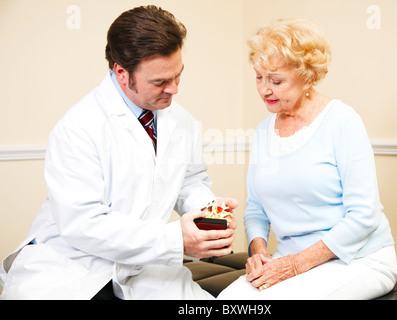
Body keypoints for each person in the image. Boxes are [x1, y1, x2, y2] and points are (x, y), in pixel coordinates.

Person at [0, 5, 237, 300]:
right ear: (122, 73)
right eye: (160, 81)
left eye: (178, 76)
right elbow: (82, 224)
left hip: (145, 266)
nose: (174, 89)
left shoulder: (181, 121)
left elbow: (189, 181)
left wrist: (208, 211)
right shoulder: (79, 127)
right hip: (73, 268)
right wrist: (175, 239)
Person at [218, 18, 397, 300]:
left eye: (276, 80)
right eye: (258, 76)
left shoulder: (342, 120)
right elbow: (255, 208)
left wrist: (294, 265)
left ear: (308, 77)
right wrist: (258, 253)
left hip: (357, 260)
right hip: (291, 259)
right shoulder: (264, 130)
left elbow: (364, 215)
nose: (264, 89)